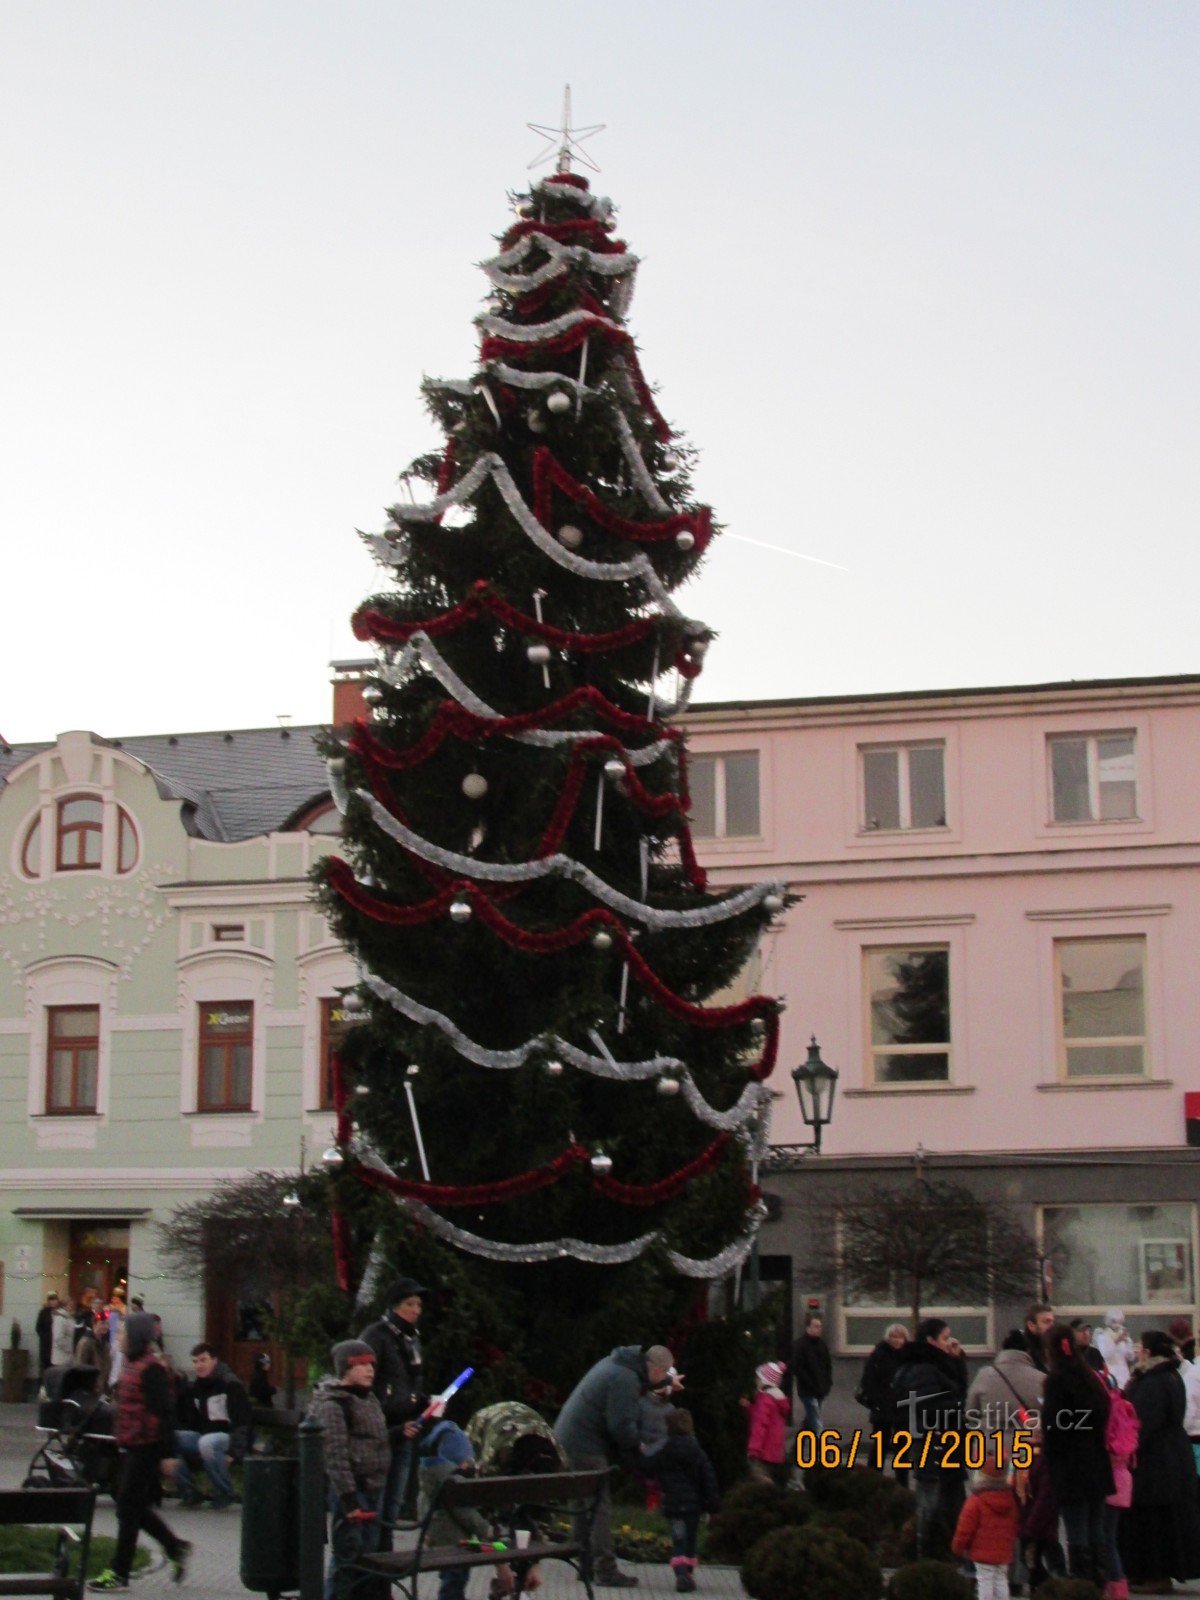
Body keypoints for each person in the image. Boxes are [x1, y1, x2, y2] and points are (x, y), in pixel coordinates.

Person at [555, 1342, 676, 1587]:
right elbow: (620, 1425)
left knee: (581, 1502)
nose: (663, 1379)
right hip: (584, 1443)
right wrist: (638, 1447)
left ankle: (584, 1564)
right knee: (599, 1505)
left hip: (566, 1439)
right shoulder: (626, 1378)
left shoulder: (616, 1364)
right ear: (656, 1369)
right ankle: (605, 1570)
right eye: (664, 1373)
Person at [87, 1312, 190, 1592]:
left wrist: (168, 1454)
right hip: (132, 1443)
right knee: (130, 1505)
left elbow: (165, 1412)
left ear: (136, 1337)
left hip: (148, 1446)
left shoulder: (151, 1368)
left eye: (122, 1332)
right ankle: (174, 1546)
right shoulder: (131, 1363)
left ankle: (119, 1572)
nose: (117, 1336)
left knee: (127, 1508)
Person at [308, 1340, 391, 1600]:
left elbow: (371, 1439)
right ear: (345, 1368)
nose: (370, 1370)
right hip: (352, 1492)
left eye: (371, 1364)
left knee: (367, 1557)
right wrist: (349, 1498)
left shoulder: (369, 1398)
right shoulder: (334, 1403)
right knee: (348, 1557)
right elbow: (335, 1454)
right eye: (362, 1364)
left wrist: (398, 1434)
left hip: (374, 1487)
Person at [1120, 1329, 1200, 1592]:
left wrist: (1126, 1449)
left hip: (1157, 1462)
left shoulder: (1154, 1381)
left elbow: (1143, 1422)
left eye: (1141, 1347)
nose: (1137, 1351)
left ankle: (1155, 1575)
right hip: (1174, 1456)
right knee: (1168, 1519)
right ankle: (1154, 1573)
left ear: (1149, 1351)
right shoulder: (1171, 1376)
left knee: (1153, 1520)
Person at [1041, 1321, 1114, 1583]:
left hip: (1071, 1467)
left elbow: (1054, 1426)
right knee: (1096, 1528)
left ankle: (1081, 1583)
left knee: (1076, 1530)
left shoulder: (1056, 1381)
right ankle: (1100, 1580)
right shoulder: (1090, 1378)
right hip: (1097, 1461)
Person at [892, 1317, 968, 1559]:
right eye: (945, 1338)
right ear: (931, 1341)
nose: (950, 1343)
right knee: (930, 1497)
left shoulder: (937, 1364)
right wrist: (961, 1407)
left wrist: (957, 1361)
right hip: (930, 1441)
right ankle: (927, 1550)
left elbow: (955, 1389)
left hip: (943, 1442)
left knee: (946, 1495)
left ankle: (945, 1549)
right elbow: (932, 1405)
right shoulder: (923, 1368)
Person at [360, 1277, 429, 1543]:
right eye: (410, 1304)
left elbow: (410, 1380)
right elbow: (364, 1380)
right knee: (376, 1502)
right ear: (395, 1306)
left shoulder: (412, 1339)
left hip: (407, 1428)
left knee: (393, 1504)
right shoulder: (376, 1335)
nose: (416, 1310)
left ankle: (383, 1555)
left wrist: (422, 1401)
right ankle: (370, 1560)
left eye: (419, 1304)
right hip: (382, 1429)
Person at [417, 1420, 513, 1600]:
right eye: (466, 1460)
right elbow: (467, 1514)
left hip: (448, 1539)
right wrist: (488, 1532)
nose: (469, 1466)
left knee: (456, 1577)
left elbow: (422, 1506)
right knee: (455, 1580)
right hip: (454, 1543)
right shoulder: (451, 1481)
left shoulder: (430, 1474)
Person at [173, 1342, 251, 1509]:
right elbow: (189, 1419)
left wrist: (234, 1453)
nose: (198, 1366)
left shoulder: (230, 1384)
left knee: (206, 1443)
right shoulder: (197, 1387)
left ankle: (225, 1492)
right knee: (169, 1438)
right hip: (203, 1436)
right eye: (195, 1362)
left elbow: (242, 1420)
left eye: (203, 1360)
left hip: (227, 1437)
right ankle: (189, 1491)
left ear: (214, 1360)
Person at [651, 1410, 720, 1593]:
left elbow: (652, 1468)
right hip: (693, 1506)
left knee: (678, 1540)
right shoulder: (697, 1451)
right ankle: (688, 1574)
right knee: (691, 1539)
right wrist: (713, 1505)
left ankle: (680, 1574)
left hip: (673, 1504)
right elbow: (708, 1478)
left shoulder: (665, 1451)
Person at [966, 1329, 1045, 1470]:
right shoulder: (1041, 1378)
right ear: (1028, 1351)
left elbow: (970, 1412)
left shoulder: (983, 1375)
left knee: (988, 1490)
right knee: (1022, 1489)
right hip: (1025, 1450)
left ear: (1003, 1349)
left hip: (989, 1450)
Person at [951, 1467, 1020, 1600]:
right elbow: (1014, 1525)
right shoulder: (1010, 1499)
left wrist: (957, 1548)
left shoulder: (976, 1500)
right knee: (1001, 1580)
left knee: (984, 1581)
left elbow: (965, 1529)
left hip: (981, 1552)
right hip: (1003, 1550)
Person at [1104, 1381, 1140, 1600]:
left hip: (1110, 1484)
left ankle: (1116, 1585)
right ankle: (1119, 1587)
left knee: (1106, 1538)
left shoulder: (1110, 1414)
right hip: (1124, 1481)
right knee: (1111, 1536)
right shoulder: (1126, 1410)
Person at [857, 1324, 909, 1478]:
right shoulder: (878, 1355)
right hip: (882, 1408)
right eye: (893, 1337)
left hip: (902, 1408)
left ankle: (902, 1482)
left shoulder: (908, 1356)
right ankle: (873, 1478)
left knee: (902, 1448)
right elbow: (868, 1381)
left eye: (900, 1337)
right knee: (880, 1446)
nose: (897, 1340)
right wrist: (877, 1402)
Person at [743, 1361, 790, 1486]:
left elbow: (759, 1425)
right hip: (775, 1452)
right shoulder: (777, 1399)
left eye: (758, 1378)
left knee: (760, 1479)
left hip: (763, 1452)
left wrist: (753, 1449)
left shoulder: (765, 1400)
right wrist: (749, 1408)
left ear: (764, 1381)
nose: (755, 1381)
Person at [791, 1312, 832, 1433]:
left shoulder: (822, 1344)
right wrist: (809, 1383)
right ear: (808, 1327)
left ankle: (797, 1446)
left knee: (810, 1418)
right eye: (816, 1326)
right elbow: (797, 1367)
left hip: (820, 1389)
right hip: (808, 1390)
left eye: (820, 1326)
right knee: (816, 1420)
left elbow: (827, 1366)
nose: (819, 1329)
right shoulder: (801, 1345)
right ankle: (821, 1448)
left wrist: (828, 1383)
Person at [1095, 1310, 1135, 1392]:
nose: (1117, 1324)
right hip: (1111, 1373)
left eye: (1120, 1321)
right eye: (1114, 1321)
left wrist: (1128, 1342)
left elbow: (1131, 1357)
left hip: (1124, 1374)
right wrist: (1117, 1341)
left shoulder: (1123, 1335)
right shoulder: (1102, 1336)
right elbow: (1105, 1354)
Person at [1020, 1302, 1055, 1374]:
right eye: (1046, 1322)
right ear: (1031, 1325)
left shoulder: (1052, 1352)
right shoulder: (1023, 1356)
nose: (1052, 1326)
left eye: (1052, 1322)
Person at [36, 1293, 60, 1374]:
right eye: (51, 1300)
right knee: (46, 1364)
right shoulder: (44, 1312)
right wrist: (45, 1337)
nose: (53, 1302)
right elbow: (38, 1328)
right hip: (46, 1344)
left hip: (57, 1343)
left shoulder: (60, 1312)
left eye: (55, 1300)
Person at [50, 1298, 77, 1368]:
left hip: (68, 1357)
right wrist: (69, 1348)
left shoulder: (69, 1317)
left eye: (72, 1306)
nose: (72, 1308)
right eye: (70, 1305)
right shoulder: (60, 1318)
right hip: (61, 1357)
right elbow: (58, 1337)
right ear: (64, 1306)